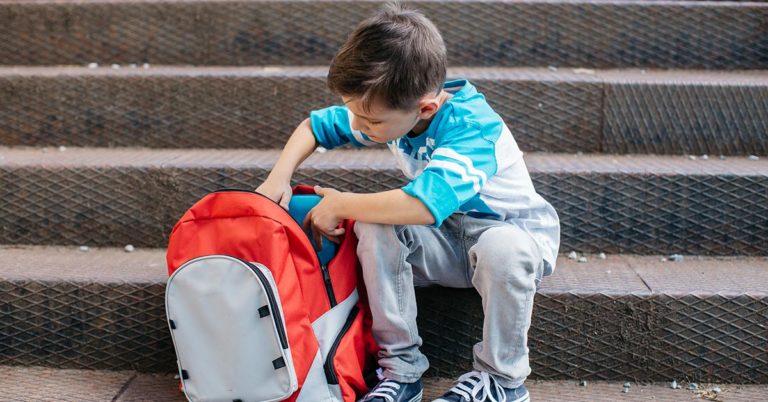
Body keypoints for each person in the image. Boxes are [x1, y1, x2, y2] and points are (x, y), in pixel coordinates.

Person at [256, 3, 560, 401]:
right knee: (374, 223)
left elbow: (422, 207)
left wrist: (342, 203)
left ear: (426, 107)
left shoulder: (472, 126)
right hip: (446, 241)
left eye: (371, 123)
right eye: (358, 118)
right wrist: (278, 177)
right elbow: (315, 126)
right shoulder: (389, 109)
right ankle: (401, 371)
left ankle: (502, 381)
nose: (361, 128)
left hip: (506, 238)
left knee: (504, 249)